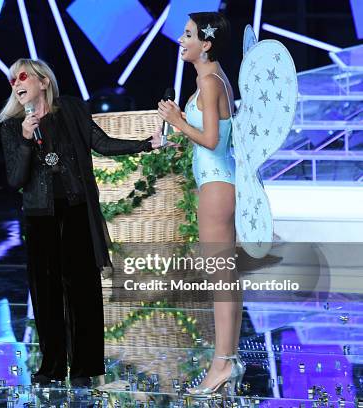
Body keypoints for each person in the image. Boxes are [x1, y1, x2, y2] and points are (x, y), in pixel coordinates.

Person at [0, 58, 165, 388]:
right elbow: (16, 178)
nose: (17, 85)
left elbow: (101, 143)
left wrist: (146, 144)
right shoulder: (11, 126)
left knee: (83, 291)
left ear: (43, 81)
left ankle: (86, 366)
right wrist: (26, 139)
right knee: (46, 294)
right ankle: (52, 366)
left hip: (75, 210)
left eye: (23, 77)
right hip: (39, 215)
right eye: (12, 81)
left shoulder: (72, 109)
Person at [158, 12, 245, 397]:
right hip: (212, 183)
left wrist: (177, 121)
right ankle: (227, 359)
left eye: (189, 34)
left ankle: (222, 364)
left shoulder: (210, 82)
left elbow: (213, 141)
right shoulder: (210, 79)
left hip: (217, 185)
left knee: (222, 279)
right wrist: (181, 132)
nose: (181, 39)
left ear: (206, 44)